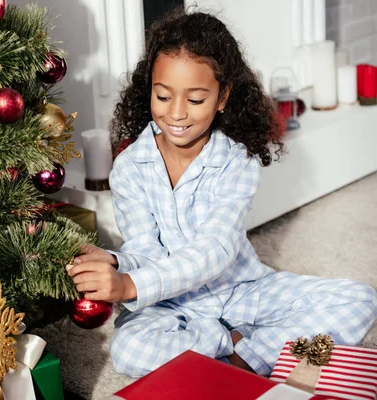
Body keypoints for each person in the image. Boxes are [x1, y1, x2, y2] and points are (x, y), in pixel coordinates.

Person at [66, 9, 377, 378]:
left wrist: (129, 284)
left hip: (241, 290)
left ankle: (246, 356)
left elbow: (216, 250)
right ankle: (234, 343)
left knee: (360, 299)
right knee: (129, 349)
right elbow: (145, 251)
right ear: (149, 87)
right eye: (163, 96)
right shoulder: (130, 167)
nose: (177, 114)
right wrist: (117, 264)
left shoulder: (236, 161)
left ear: (222, 97)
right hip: (170, 305)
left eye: (195, 100)